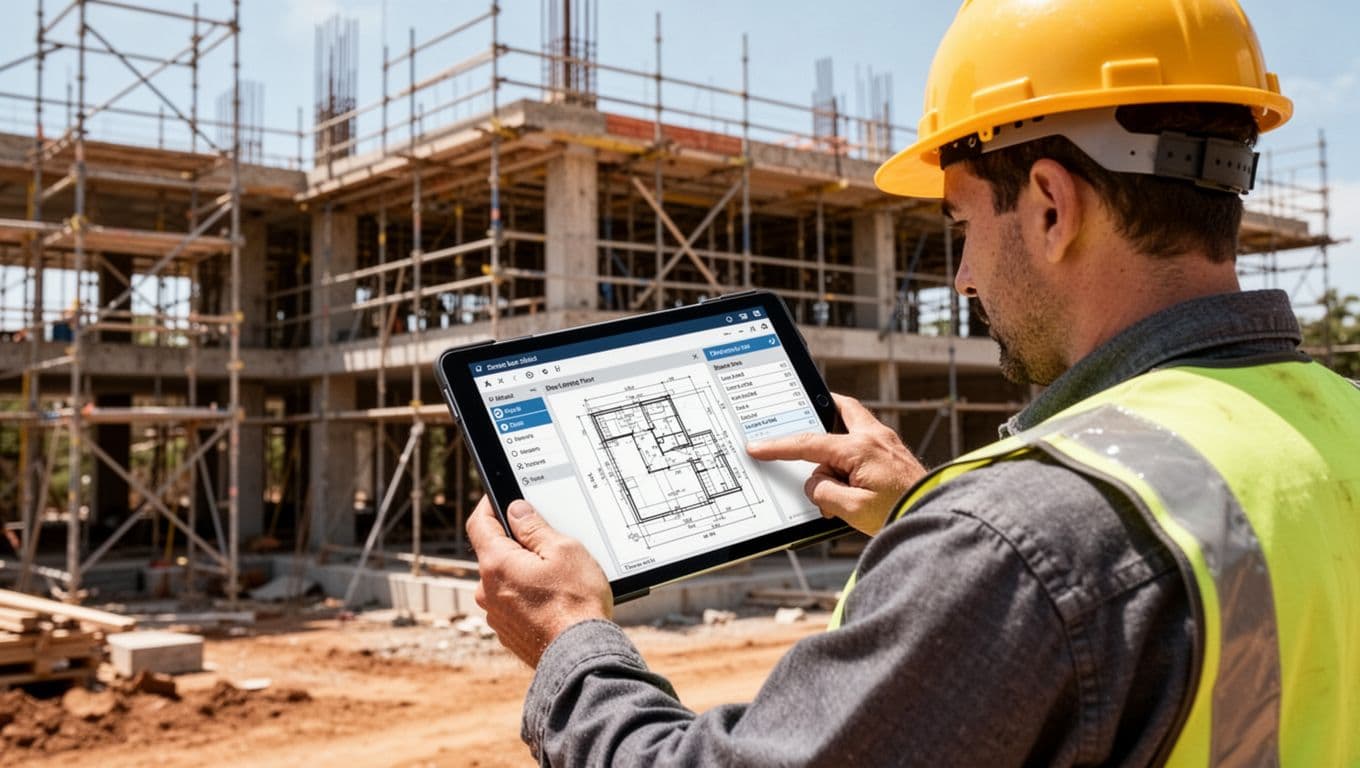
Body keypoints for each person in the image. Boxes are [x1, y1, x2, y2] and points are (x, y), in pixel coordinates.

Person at [466, 0, 1360, 764]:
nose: (962, 278)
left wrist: (571, 641)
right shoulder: (1340, 423)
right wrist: (924, 510)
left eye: (962, 224)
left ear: (1052, 206)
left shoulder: (1012, 543)